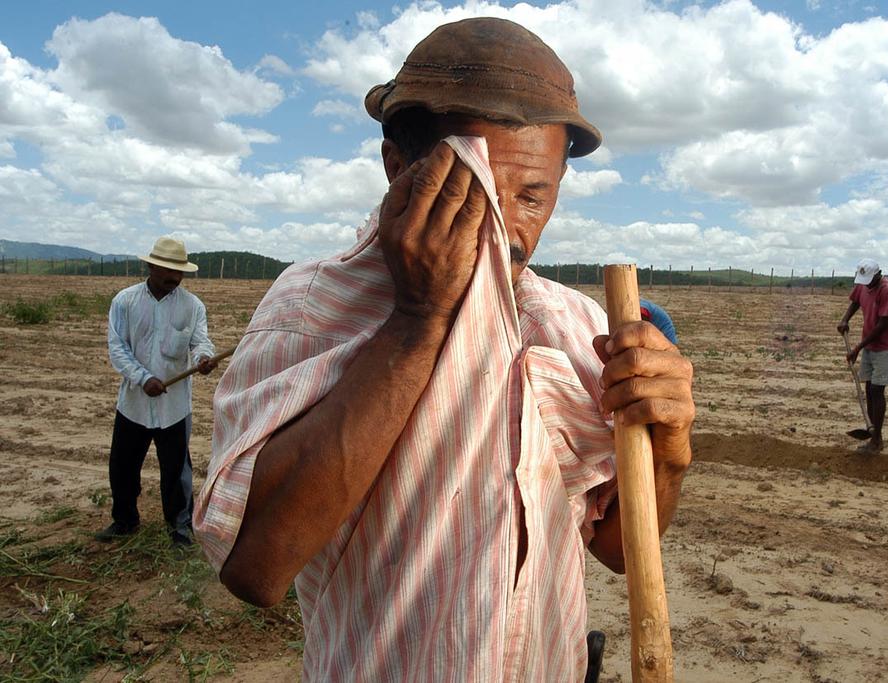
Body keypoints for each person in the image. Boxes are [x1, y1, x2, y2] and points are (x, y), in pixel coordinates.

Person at [195, 18, 694, 680]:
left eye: (534, 197)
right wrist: (418, 318)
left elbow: (620, 550)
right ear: (399, 169)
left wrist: (670, 451)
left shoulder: (574, 323)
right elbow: (257, 566)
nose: (511, 231)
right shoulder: (309, 309)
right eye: (485, 193)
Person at [97, 236, 217, 547]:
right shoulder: (125, 301)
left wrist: (203, 358)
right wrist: (143, 378)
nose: (174, 278)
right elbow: (118, 348)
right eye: (168, 270)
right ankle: (124, 521)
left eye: (179, 272)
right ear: (151, 266)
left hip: (175, 408)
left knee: (177, 472)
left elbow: (199, 342)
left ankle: (179, 529)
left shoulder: (192, 307)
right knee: (122, 467)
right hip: (134, 404)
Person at [837, 257, 888, 454]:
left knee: (877, 389)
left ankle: (876, 440)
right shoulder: (863, 284)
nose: (866, 285)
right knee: (869, 388)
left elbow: (883, 325)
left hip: (887, 347)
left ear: (879, 274)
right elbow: (855, 301)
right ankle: (873, 431)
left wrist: (857, 348)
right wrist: (845, 319)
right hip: (870, 345)